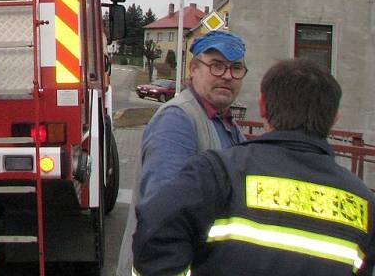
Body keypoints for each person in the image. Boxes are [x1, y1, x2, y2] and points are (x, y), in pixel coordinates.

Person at [133, 58, 375, 275]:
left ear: (262, 107)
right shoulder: (364, 204)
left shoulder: (218, 173)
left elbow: (155, 235)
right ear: (334, 119)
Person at [116, 30, 248, 275]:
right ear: (193, 70)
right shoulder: (178, 120)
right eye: (217, 66)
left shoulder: (230, 126)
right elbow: (164, 214)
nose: (227, 76)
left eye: (236, 68)